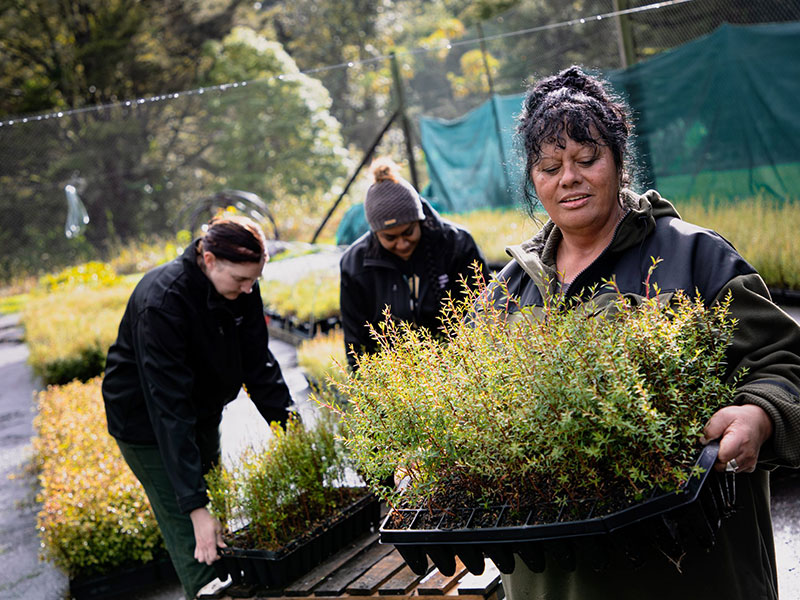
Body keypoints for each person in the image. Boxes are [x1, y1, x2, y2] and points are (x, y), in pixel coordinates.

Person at [487, 65, 800, 600]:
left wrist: (761, 414)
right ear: (533, 180)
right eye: (549, 166)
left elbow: (785, 366)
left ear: (618, 162)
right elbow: (473, 402)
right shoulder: (511, 288)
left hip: (689, 574)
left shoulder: (694, 255)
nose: (569, 177)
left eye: (587, 159)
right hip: (558, 582)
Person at [102, 214, 293, 599]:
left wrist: (291, 427)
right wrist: (195, 507)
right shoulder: (163, 302)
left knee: (216, 513)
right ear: (208, 260)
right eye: (240, 279)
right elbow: (169, 412)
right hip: (148, 427)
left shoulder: (241, 292)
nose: (248, 288)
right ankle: (207, 589)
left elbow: (258, 364)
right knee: (195, 531)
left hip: (202, 410)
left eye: (254, 279)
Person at [340, 156, 488, 369]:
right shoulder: (354, 265)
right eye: (389, 238)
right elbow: (356, 344)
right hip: (397, 376)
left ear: (419, 220)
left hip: (460, 365)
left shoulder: (456, 244)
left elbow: (485, 314)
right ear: (375, 233)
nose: (401, 244)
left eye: (408, 232)